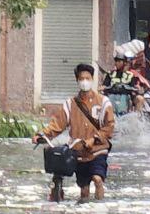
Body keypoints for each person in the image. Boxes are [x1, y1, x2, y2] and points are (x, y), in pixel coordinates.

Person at [34, 63, 117, 201]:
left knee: (97, 179)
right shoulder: (70, 104)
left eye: (87, 78)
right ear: (77, 81)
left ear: (92, 79)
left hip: (98, 149)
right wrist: (42, 134)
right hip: (79, 151)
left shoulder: (103, 102)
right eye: (82, 78)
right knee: (84, 189)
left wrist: (95, 139)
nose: (85, 81)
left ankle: (100, 209)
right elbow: (57, 124)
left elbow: (109, 126)